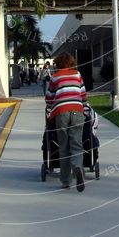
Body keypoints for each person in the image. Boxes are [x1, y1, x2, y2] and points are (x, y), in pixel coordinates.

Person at [45, 53, 87, 191]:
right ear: (71, 63)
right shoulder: (77, 74)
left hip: (61, 112)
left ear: (57, 64)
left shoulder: (55, 77)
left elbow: (49, 98)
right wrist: (84, 107)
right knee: (76, 144)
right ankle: (77, 167)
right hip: (77, 110)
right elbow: (83, 95)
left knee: (63, 146)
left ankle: (66, 181)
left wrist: (50, 108)